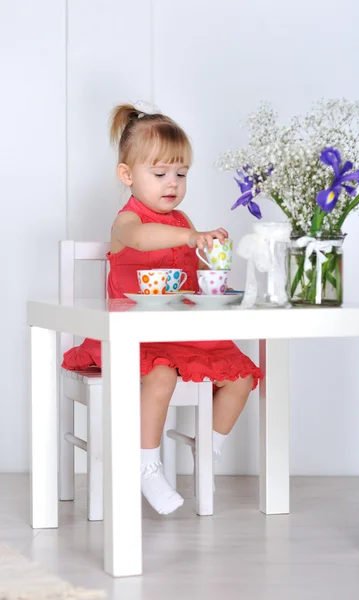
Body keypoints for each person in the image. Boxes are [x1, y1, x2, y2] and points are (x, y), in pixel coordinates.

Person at [62, 101, 263, 515]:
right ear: (127, 175)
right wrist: (190, 238)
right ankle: (146, 465)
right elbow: (140, 240)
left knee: (242, 375)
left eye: (181, 174)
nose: (172, 183)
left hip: (179, 335)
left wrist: (211, 266)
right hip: (129, 338)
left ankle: (209, 450)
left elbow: (188, 276)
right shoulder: (127, 221)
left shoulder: (181, 219)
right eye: (159, 174)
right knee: (160, 374)